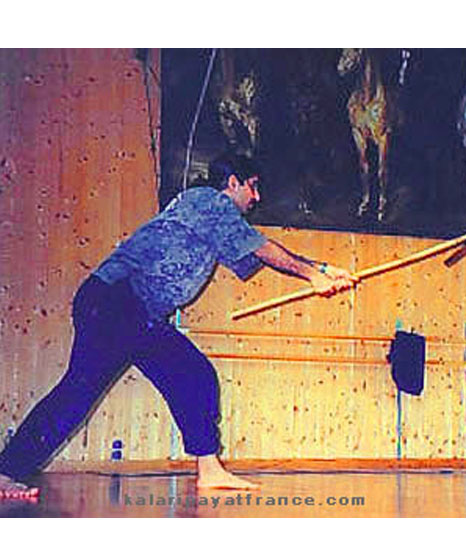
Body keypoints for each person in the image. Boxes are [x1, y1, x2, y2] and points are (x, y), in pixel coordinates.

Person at [0, 153, 358, 500]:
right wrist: (313, 274)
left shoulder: (213, 221)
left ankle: (210, 470)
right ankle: (7, 470)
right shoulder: (208, 201)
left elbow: (257, 255)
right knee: (78, 391)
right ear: (232, 183)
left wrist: (323, 270)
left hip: (137, 314)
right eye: (253, 186)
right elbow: (263, 248)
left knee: (193, 375)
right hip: (117, 301)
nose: (257, 197)